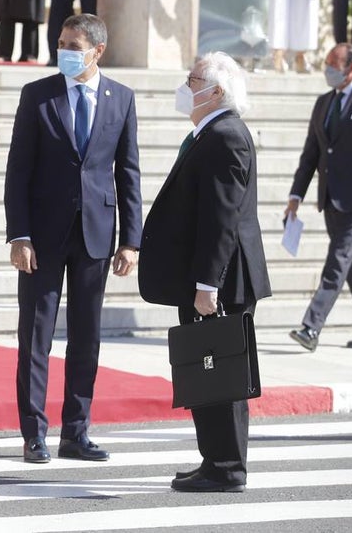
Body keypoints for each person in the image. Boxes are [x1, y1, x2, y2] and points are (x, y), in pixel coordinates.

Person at [4, 13, 141, 465]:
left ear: (98, 51)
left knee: (86, 337)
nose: (63, 51)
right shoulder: (38, 95)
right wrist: (19, 234)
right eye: (61, 43)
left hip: (95, 235)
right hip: (42, 237)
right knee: (36, 336)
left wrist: (131, 240)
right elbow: (18, 169)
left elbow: (128, 172)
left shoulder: (121, 98)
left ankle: (76, 432)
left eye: (73, 46)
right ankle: (34, 433)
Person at [137, 52, 271, 493]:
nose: (185, 86)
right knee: (206, 371)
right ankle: (215, 460)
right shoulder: (210, 133)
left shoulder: (226, 136)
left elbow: (221, 218)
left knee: (221, 374)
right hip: (206, 277)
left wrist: (207, 284)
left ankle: (227, 468)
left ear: (216, 92)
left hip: (221, 281)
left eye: (192, 80)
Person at [286, 43, 352, 351]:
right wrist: (296, 194)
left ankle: (311, 327)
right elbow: (311, 153)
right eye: (327, 62)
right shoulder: (324, 103)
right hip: (329, 197)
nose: (327, 69)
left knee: (338, 261)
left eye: (333, 64)